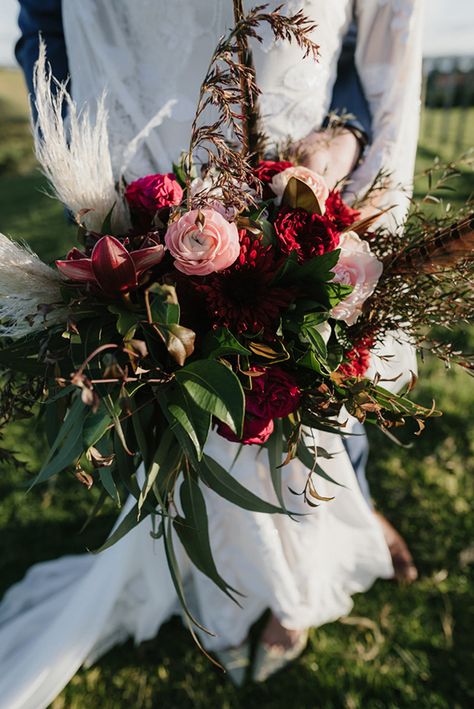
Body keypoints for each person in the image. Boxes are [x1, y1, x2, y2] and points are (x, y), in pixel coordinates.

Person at [0, 1, 423, 704]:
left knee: (312, 364)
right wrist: (80, 159)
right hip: (147, 168)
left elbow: (367, 48)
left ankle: (341, 525)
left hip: (298, 154)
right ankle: (235, 571)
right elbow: (44, 16)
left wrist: (344, 136)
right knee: (202, 391)